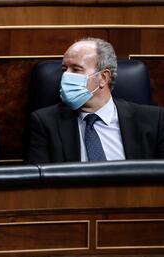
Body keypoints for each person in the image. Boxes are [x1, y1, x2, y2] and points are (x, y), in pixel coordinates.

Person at [27, 37, 164, 164]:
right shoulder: (44, 123)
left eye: (76, 70)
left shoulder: (154, 120)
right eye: (64, 69)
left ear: (103, 78)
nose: (66, 76)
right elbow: (38, 185)